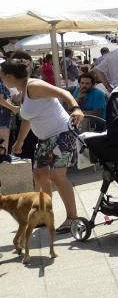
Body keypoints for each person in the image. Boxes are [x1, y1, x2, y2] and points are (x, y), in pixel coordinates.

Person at [3, 57, 85, 232]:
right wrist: (19, 142)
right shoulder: (22, 92)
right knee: (40, 175)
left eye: (1, 76)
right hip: (45, 138)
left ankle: (72, 217)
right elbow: (27, 118)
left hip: (63, 132)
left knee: (57, 176)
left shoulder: (34, 86)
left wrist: (75, 107)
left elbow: (63, 93)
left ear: (9, 76)